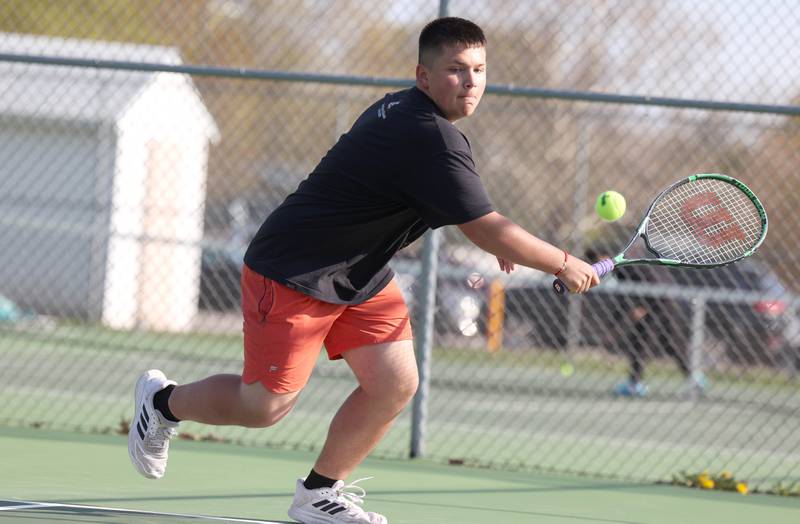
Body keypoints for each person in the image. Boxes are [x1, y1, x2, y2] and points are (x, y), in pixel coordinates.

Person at [127, 17, 599, 524]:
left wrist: (499, 238)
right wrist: (563, 262)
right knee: (263, 408)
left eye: (479, 69)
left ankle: (318, 494)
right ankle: (163, 403)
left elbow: (472, 212)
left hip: (359, 274)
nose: (470, 82)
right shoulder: (427, 134)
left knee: (395, 383)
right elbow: (483, 226)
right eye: (455, 70)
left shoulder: (416, 116)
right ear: (423, 75)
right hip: (294, 270)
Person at [585, 246, 706, 397]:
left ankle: (637, 384)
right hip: (660, 304)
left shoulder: (625, 266)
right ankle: (693, 379)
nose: (598, 267)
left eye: (597, 261)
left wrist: (643, 306)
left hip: (662, 304)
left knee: (645, 343)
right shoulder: (623, 265)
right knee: (668, 344)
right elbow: (628, 295)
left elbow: (652, 282)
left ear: (604, 256)